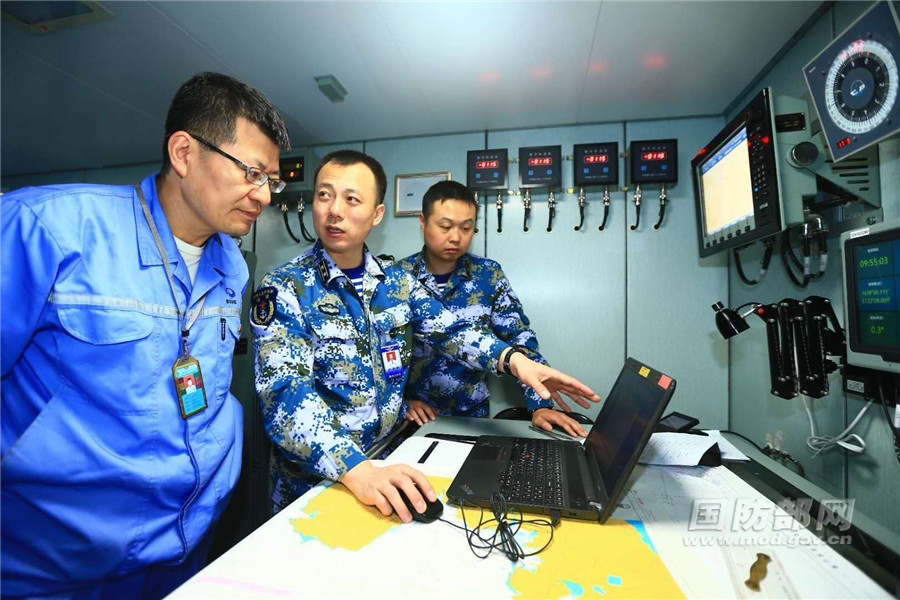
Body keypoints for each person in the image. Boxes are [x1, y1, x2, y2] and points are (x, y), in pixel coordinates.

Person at [1, 72, 290, 598]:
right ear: (184, 153)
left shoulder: (231, 264)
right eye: (252, 173)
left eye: (272, 179)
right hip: (52, 568)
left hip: (185, 552)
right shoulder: (46, 227)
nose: (265, 195)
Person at [252, 150, 600, 522]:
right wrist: (356, 468)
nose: (335, 210)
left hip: (387, 465)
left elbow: (452, 330)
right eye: (325, 195)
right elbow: (285, 395)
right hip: (315, 481)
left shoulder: (396, 283)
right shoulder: (285, 286)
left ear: (377, 214)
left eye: (352, 199)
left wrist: (515, 361)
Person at [396, 180, 588, 437]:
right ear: (423, 221)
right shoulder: (397, 279)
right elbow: (381, 356)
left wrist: (540, 404)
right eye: (445, 226)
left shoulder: (488, 275)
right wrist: (401, 404)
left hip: (471, 418)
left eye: (466, 228)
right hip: (412, 422)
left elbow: (519, 339)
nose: (456, 237)